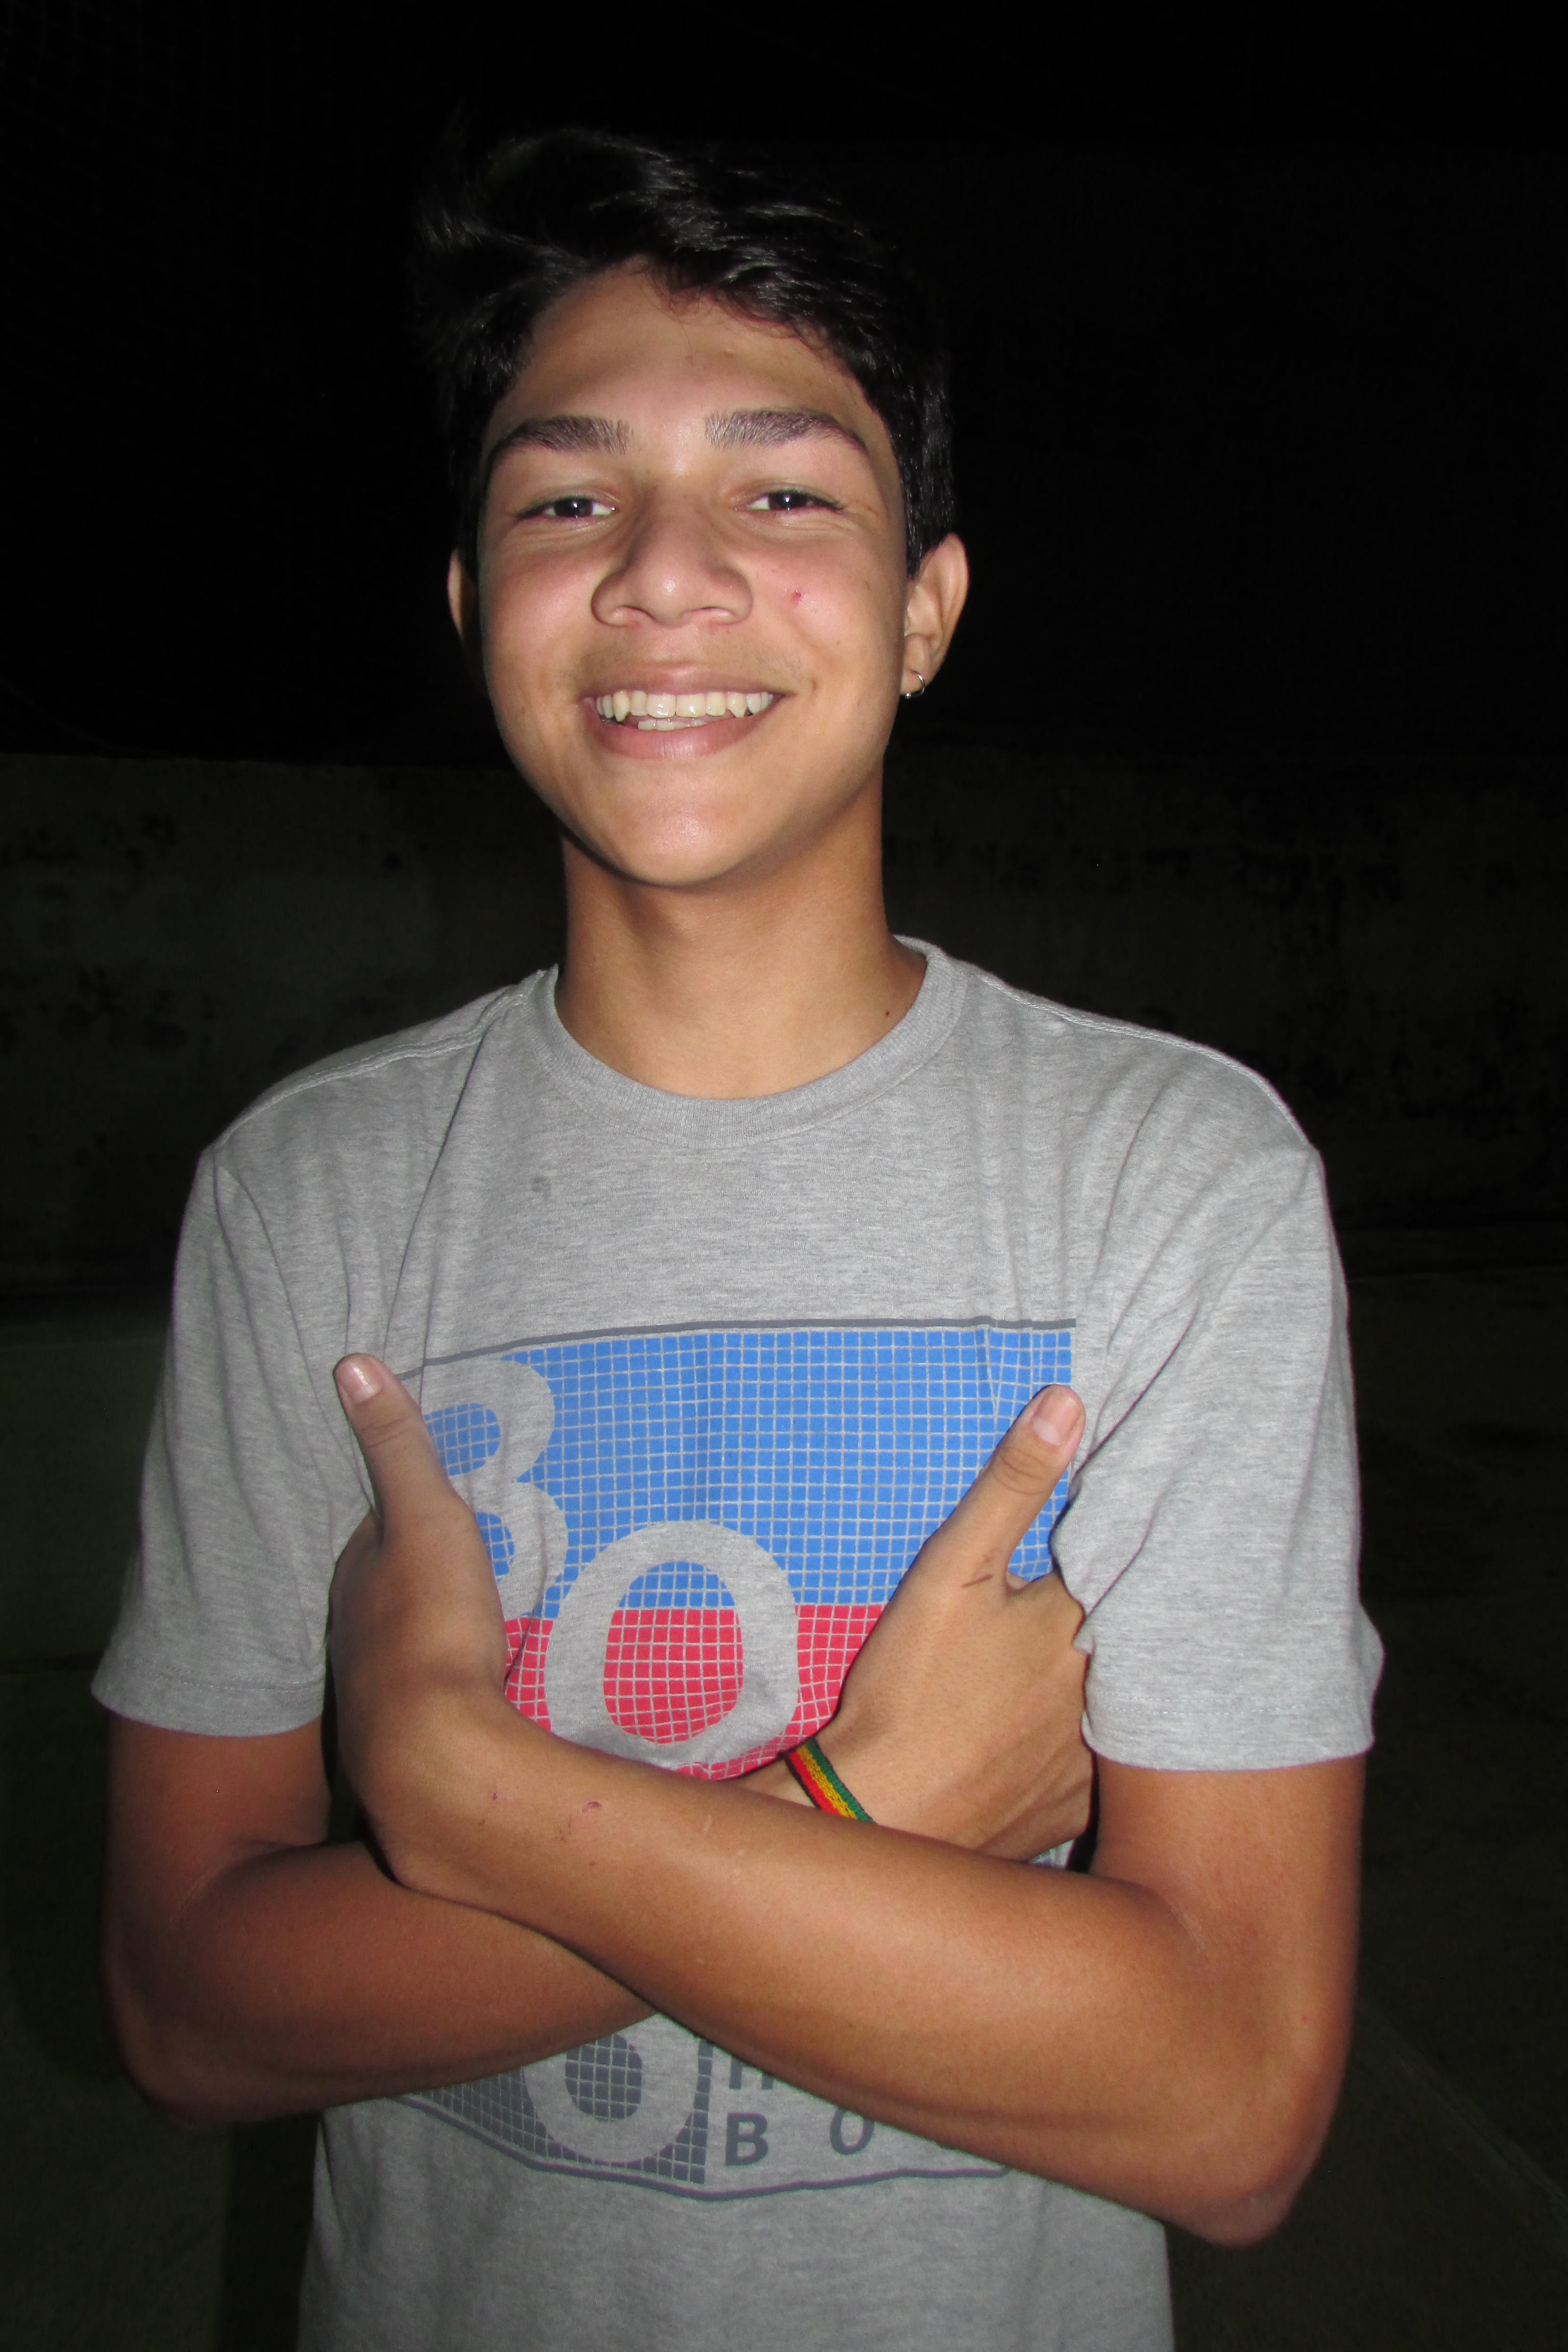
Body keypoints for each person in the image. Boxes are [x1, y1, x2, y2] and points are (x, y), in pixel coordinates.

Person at [95, 130, 1381, 2352]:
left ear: (926, 606)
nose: (663, 576)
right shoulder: (307, 1193)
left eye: (783, 493)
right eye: (563, 501)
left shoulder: (1175, 1181)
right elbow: (189, 2006)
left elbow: (1229, 2102)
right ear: (469, 604)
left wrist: (470, 1797)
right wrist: (866, 1807)